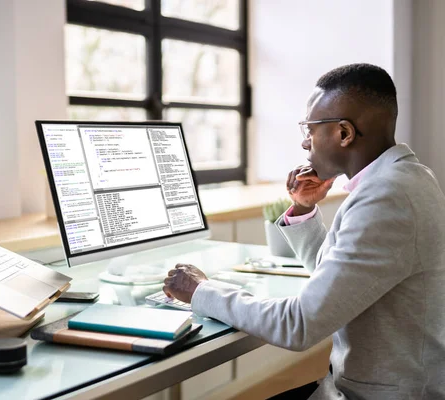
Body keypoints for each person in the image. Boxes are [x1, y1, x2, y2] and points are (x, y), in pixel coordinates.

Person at [163, 63, 445, 399]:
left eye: (309, 129)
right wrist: (304, 208)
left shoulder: (388, 197)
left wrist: (201, 291)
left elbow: (299, 324)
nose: (304, 143)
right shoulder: (406, 177)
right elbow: (341, 284)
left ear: (344, 133)